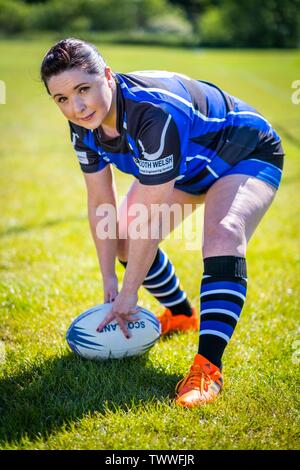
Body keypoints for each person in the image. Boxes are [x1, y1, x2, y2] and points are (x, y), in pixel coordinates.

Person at [40, 38, 284, 408]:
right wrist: (109, 276)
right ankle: (183, 314)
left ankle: (207, 368)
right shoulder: (82, 126)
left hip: (243, 153)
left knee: (223, 234)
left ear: (107, 75)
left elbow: (151, 221)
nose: (76, 106)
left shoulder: (152, 113)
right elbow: (100, 201)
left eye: (83, 89)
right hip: (188, 169)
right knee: (122, 238)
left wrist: (129, 291)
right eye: (61, 99)